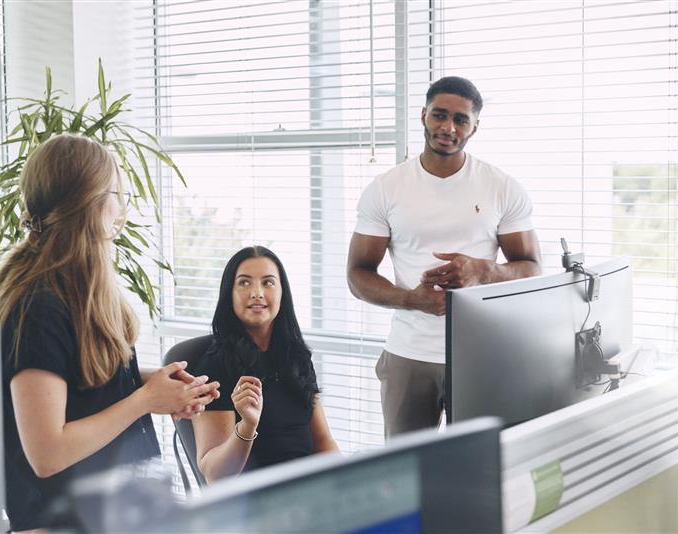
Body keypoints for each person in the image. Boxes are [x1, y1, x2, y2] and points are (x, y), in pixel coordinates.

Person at [0, 134, 220, 532]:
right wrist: (144, 400)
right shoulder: (38, 306)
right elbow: (47, 452)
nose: (122, 208)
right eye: (116, 192)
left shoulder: (79, 286)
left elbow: (81, 383)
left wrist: (156, 386)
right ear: (89, 202)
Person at [346, 76, 542, 438]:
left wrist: (482, 271)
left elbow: (532, 269)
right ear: (423, 115)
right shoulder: (386, 189)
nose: (448, 127)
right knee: (406, 473)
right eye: (439, 115)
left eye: (460, 119)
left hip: (481, 355)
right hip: (409, 353)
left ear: (475, 127)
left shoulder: (501, 186)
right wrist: (410, 300)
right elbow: (358, 273)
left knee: (479, 470)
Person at [191, 246, 339, 482]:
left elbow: (323, 443)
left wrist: (347, 484)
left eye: (268, 283)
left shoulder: (296, 355)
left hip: (309, 492)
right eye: (244, 283)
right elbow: (215, 475)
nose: (257, 293)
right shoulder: (214, 367)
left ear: (282, 293)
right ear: (229, 293)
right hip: (259, 503)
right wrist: (248, 425)